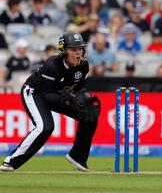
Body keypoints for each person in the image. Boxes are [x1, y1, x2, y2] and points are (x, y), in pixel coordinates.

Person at [0, 32, 101, 172]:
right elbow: (46, 95)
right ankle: (11, 161)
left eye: (80, 48)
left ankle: (77, 156)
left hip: (59, 94)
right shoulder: (52, 65)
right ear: (63, 51)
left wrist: (83, 98)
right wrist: (68, 99)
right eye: (73, 49)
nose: (78, 53)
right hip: (35, 93)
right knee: (45, 127)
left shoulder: (83, 66)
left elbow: (79, 87)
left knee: (90, 118)